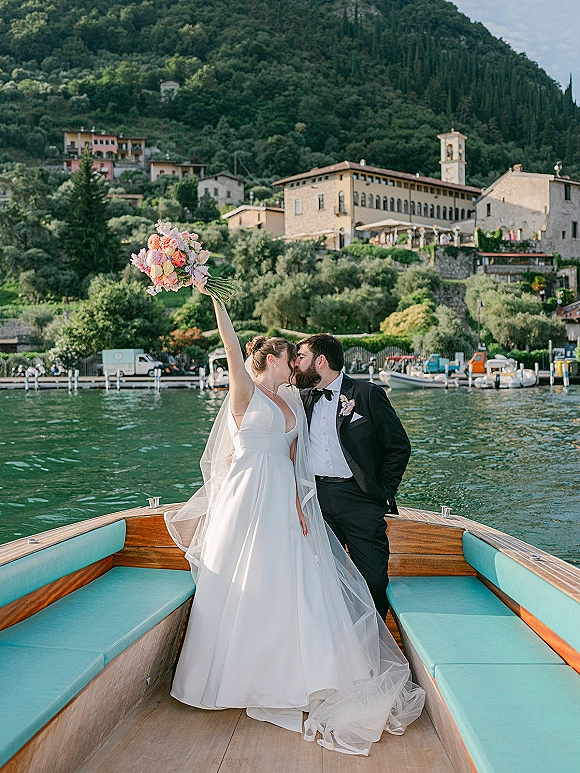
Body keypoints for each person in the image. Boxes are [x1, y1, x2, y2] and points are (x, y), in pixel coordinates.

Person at [165, 299, 424, 755]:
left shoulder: (292, 398)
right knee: (245, 581)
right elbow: (229, 346)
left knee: (296, 584)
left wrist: (305, 503)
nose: (296, 366)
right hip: (248, 498)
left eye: (301, 358)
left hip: (291, 501)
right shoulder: (245, 391)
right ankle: (236, 679)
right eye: (290, 358)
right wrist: (214, 300)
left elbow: (294, 457)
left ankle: (308, 670)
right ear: (271, 360)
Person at [294, 334, 411, 619]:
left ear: (320, 361)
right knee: (323, 580)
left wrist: (381, 491)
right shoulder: (301, 398)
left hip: (360, 498)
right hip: (318, 502)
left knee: (372, 579)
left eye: (301, 357)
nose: (295, 364)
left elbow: (399, 447)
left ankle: (373, 647)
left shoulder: (367, 394)